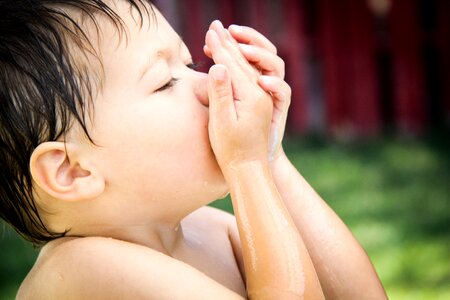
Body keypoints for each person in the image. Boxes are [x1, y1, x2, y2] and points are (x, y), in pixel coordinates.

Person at [0, 1, 386, 298]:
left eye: (190, 64)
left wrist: (268, 157)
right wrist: (247, 164)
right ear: (73, 171)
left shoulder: (206, 230)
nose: (207, 82)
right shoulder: (79, 270)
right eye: (165, 82)